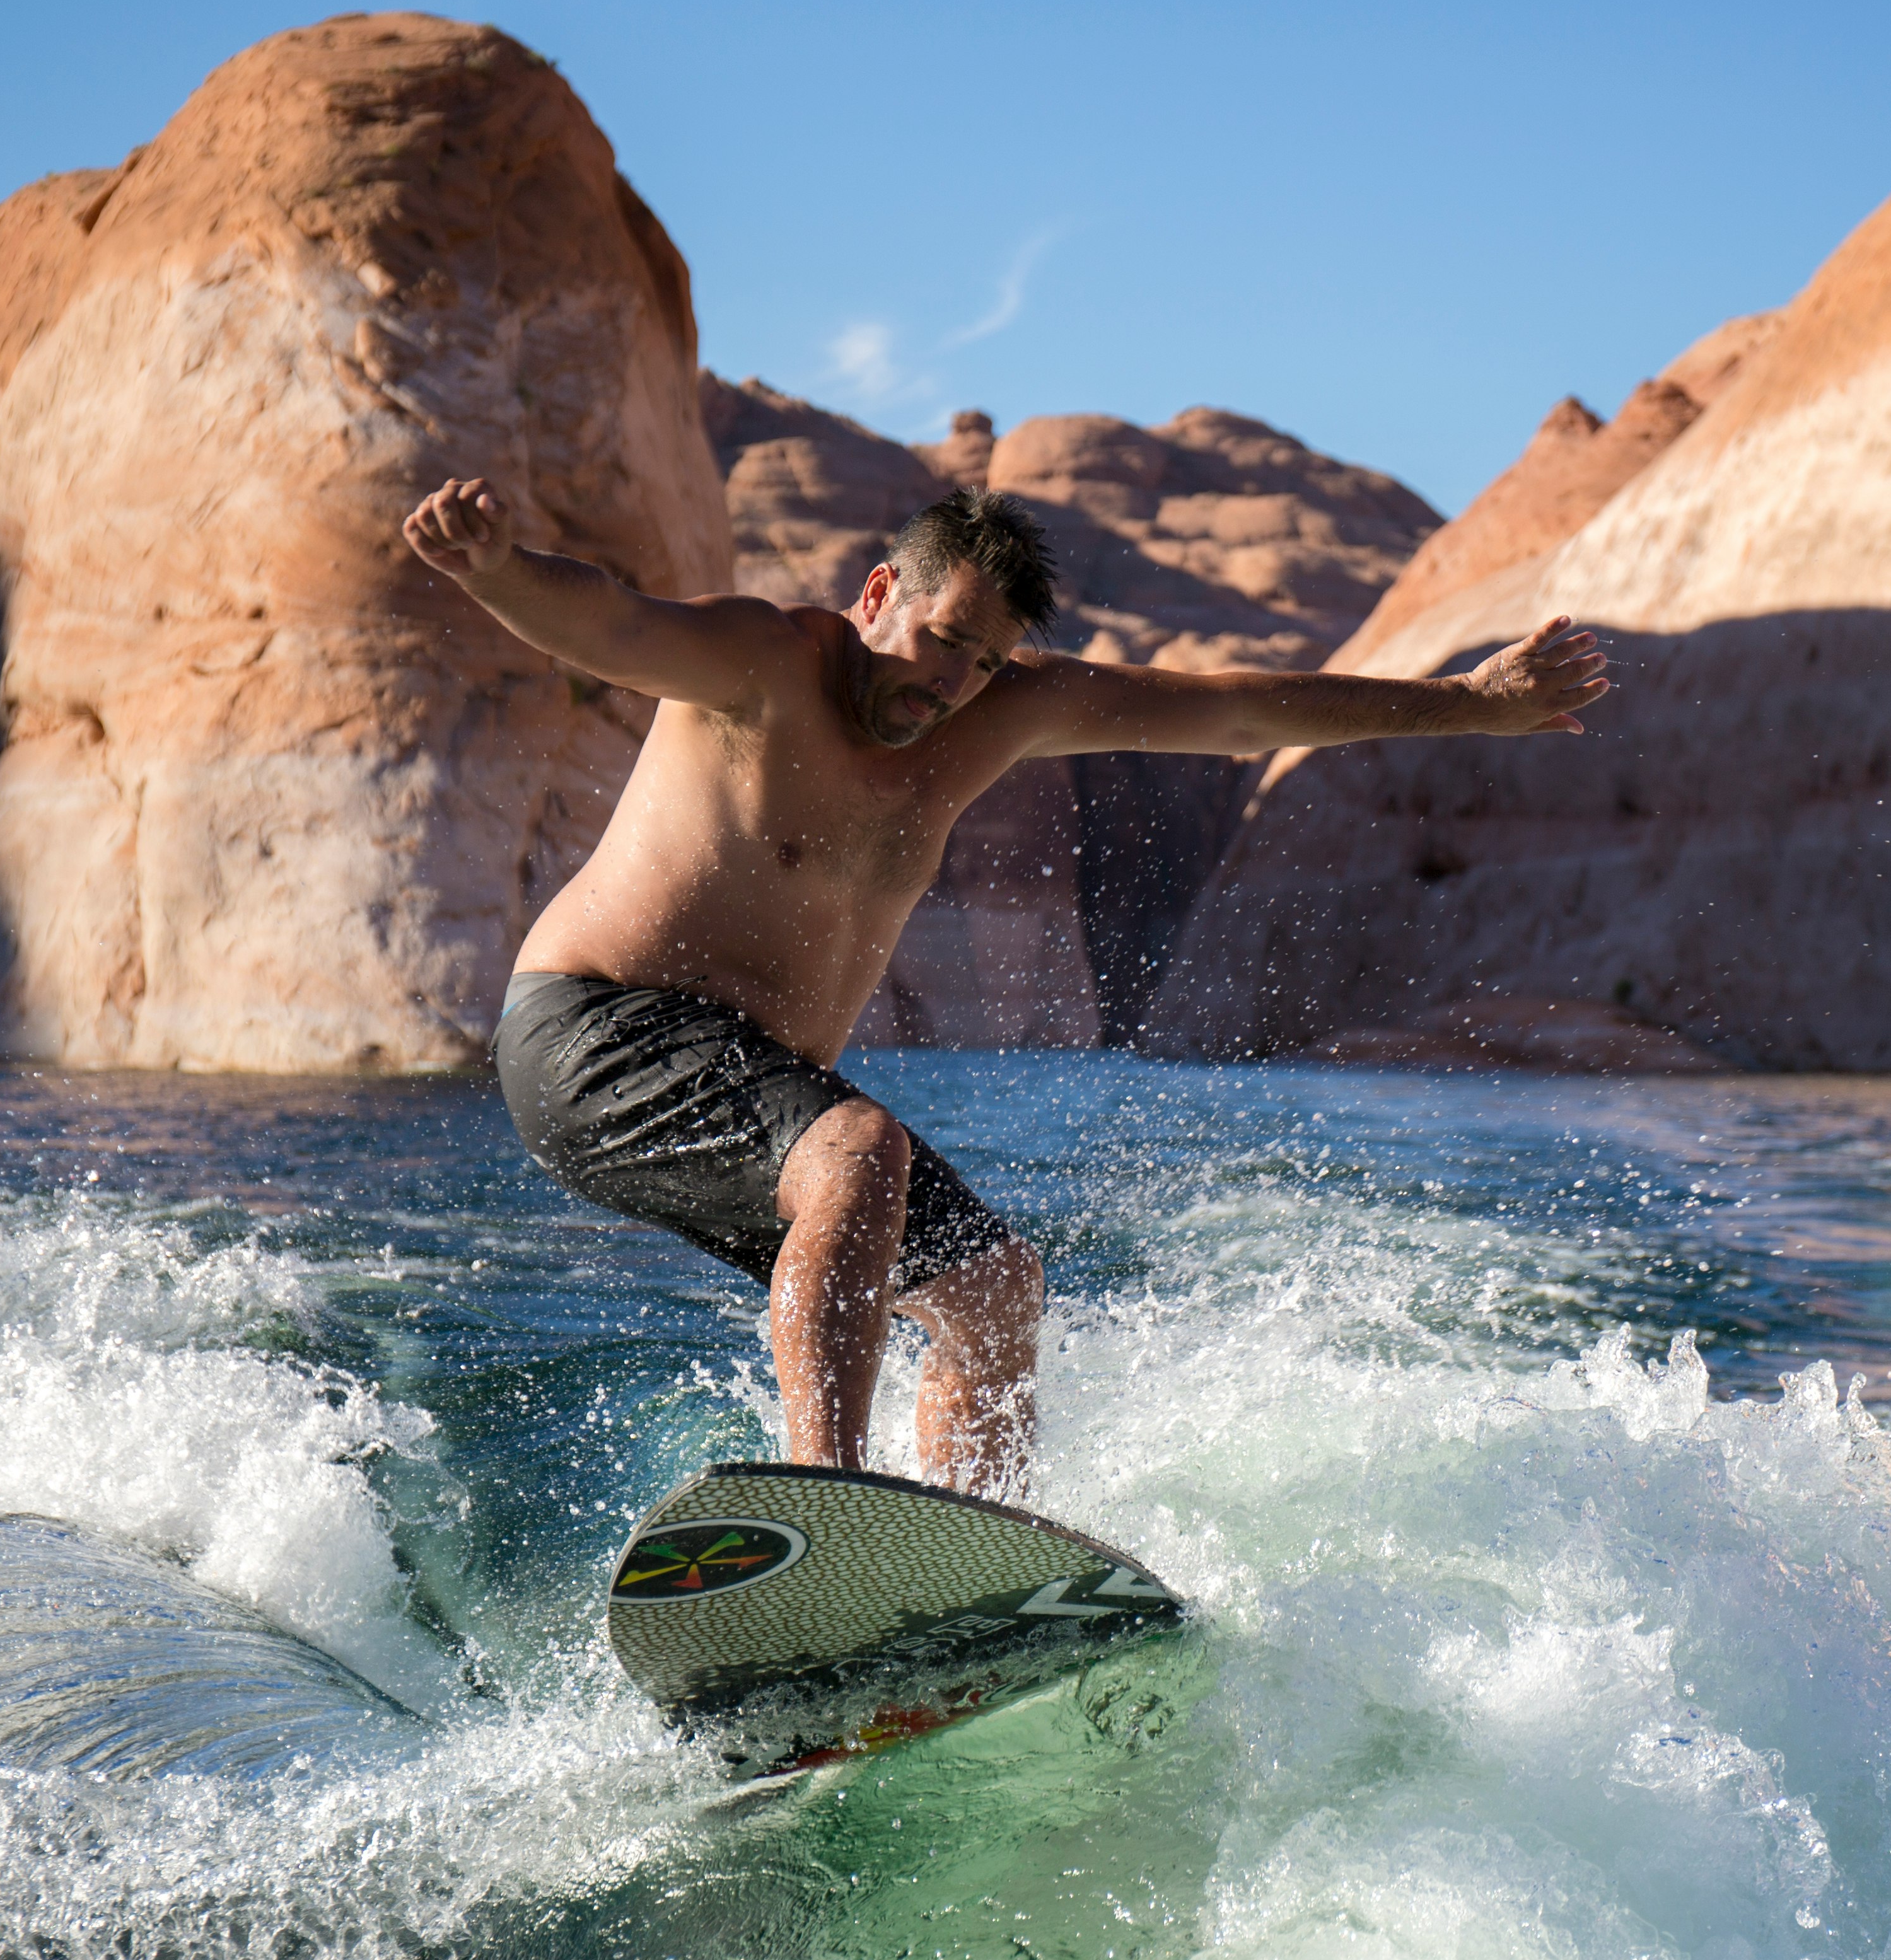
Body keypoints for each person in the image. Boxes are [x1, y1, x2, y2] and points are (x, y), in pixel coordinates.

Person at [402, 477, 1607, 1500]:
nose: (952, 683)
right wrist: (495, 564)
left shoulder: (1005, 713)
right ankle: (833, 1520)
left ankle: (968, 1572)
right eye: (941, 639)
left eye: (985, 662)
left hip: (743, 1079)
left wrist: (1470, 705)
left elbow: (1236, 711)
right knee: (857, 1151)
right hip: (590, 1030)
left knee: (991, 1288)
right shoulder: (766, 662)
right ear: (880, 596)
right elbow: (607, 623)